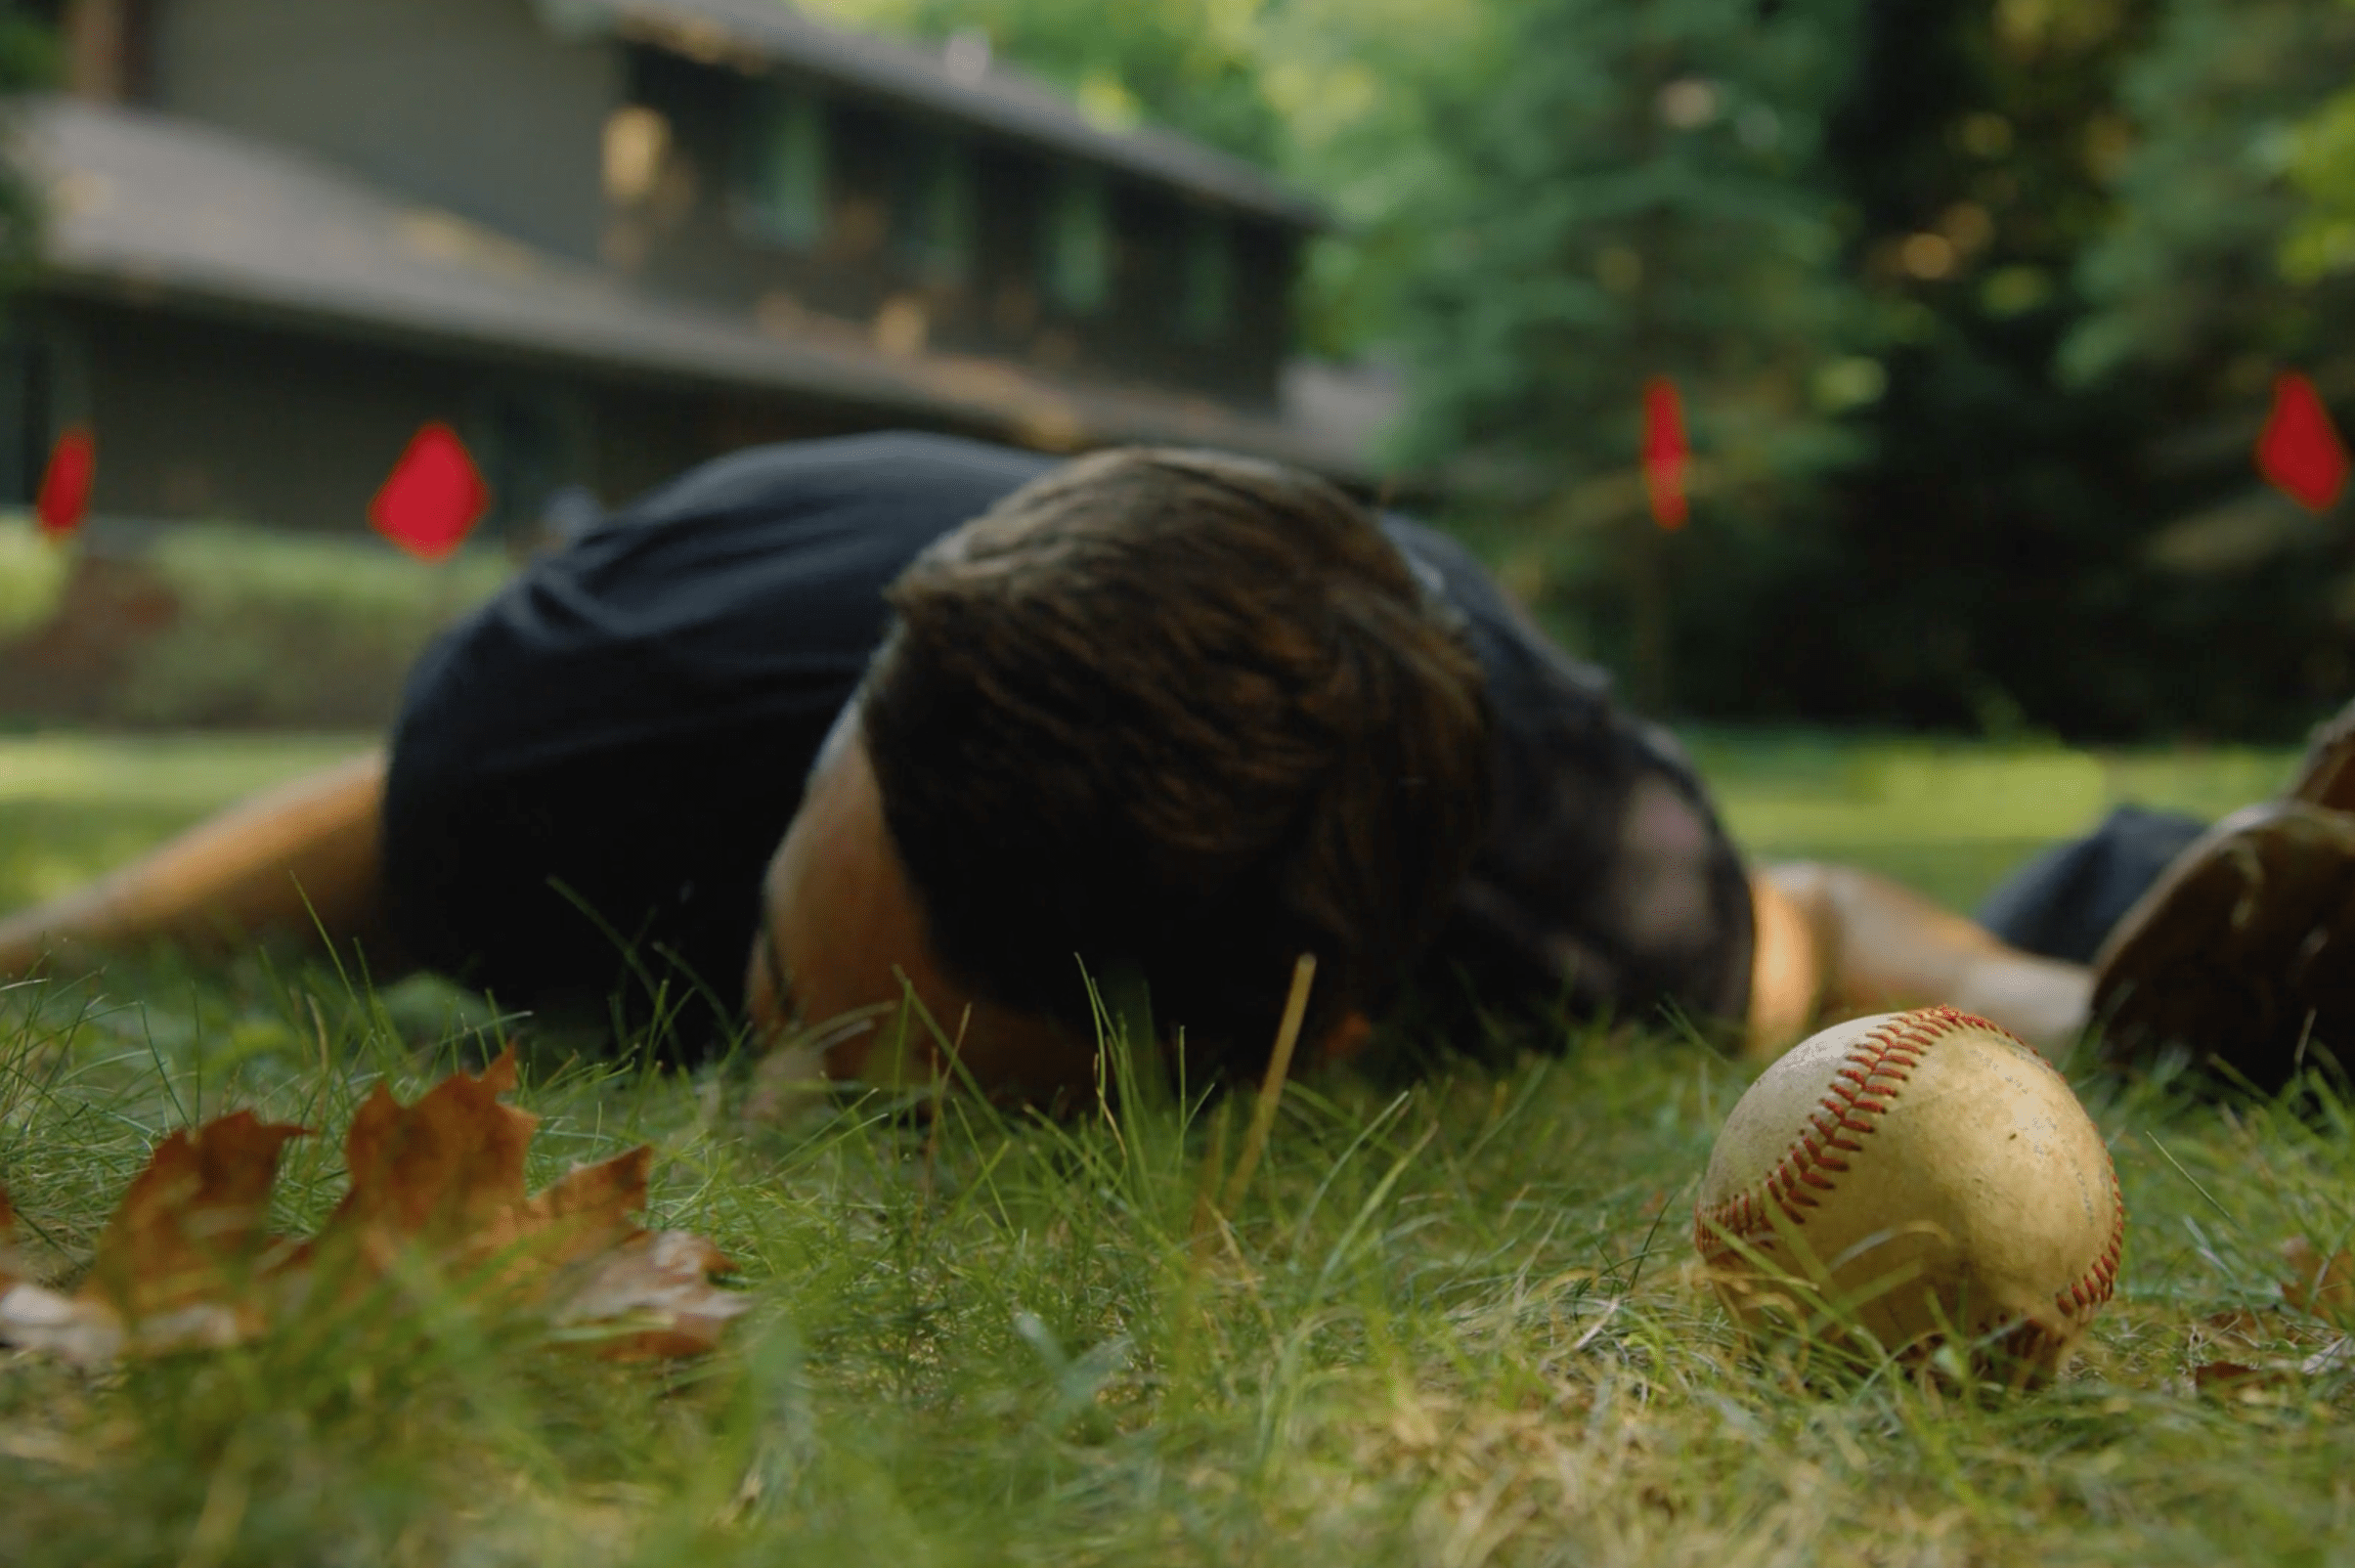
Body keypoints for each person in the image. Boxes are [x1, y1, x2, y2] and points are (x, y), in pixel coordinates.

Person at [0, 434, 2091, 1111]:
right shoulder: (587, 711)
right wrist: (46, 945)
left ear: (1291, 1051)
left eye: (911, 1098)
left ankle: (2126, 918)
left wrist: (2037, 1009)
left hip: (1400, 645)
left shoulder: (1542, 876)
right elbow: (390, 832)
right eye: (777, 988)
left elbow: (1804, 926)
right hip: (931, 550)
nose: (791, 1098)